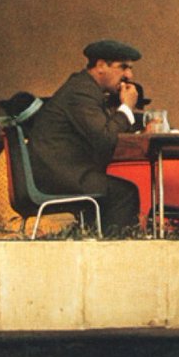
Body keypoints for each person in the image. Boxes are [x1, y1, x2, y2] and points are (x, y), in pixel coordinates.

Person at [28, 38, 142, 235]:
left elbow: (101, 132)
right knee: (124, 194)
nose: (129, 75)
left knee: (118, 189)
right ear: (101, 65)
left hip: (62, 172)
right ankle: (113, 250)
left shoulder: (86, 88)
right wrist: (126, 108)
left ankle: (101, 242)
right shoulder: (81, 92)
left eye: (130, 68)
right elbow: (105, 138)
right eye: (123, 67)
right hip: (58, 176)